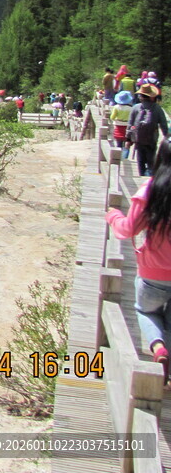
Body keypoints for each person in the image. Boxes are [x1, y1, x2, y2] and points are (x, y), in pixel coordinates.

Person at [106, 139, 171, 382]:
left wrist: (113, 216)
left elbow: (128, 229)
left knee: (145, 312)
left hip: (153, 271)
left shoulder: (150, 191)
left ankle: (158, 348)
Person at [130, 84, 167, 177]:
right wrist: (167, 137)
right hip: (152, 139)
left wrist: (128, 139)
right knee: (151, 160)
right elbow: (163, 124)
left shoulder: (136, 108)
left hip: (138, 139)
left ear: (141, 96)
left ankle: (141, 176)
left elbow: (130, 124)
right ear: (151, 96)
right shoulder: (157, 108)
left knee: (140, 160)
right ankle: (149, 177)